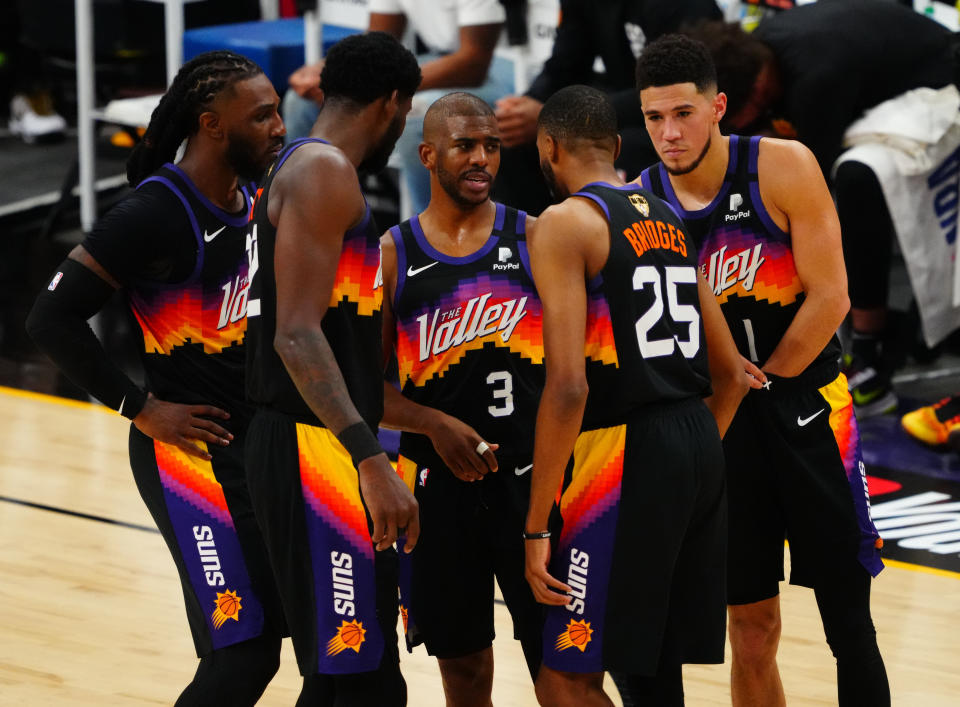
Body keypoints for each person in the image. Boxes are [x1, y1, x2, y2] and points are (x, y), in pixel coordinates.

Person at [26, 51, 288, 705]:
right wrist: (140, 406)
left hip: (248, 449)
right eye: (263, 115)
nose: (280, 126)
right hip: (187, 458)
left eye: (278, 110)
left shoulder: (250, 198)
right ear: (213, 125)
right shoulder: (153, 211)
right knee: (243, 657)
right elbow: (50, 317)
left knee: (275, 640)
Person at [635, 34, 888, 707]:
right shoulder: (640, 204)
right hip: (721, 432)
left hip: (806, 410)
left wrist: (760, 380)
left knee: (849, 623)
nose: (669, 132)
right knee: (751, 626)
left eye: (683, 113)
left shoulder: (782, 165)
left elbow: (831, 293)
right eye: (654, 117)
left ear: (719, 107)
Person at [523, 84, 751, 706]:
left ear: (549, 147)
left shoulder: (564, 222)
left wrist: (537, 523)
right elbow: (732, 373)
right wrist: (686, 454)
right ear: (618, 145)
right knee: (649, 668)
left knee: (565, 678)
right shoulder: (666, 215)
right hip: (697, 441)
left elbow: (568, 386)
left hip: (622, 456)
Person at [243, 32, 421, 705]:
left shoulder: (297, 164)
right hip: (312, 445)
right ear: (392, 103)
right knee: (353, 676)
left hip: (307, 437)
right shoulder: (325, 172)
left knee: (362, 676)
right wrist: (370, 458)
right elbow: (295, 335)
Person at [683, 3, 960, 416]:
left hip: (938, 86)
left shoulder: (815, 81)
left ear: (752, 94)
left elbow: (808, 201)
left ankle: (868, 342)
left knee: (856, 177)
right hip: (879, 84)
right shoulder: (760, 52)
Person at [379, 91, 545, 705]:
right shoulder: (394, 255)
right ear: (427, 154)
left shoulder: (534, 236)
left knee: (562, 675)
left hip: (531, 484)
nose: (481, 159)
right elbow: (366, 390)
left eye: (492, 147)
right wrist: (432, 424)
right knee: (465, 676)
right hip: (438, 494)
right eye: (465, 146)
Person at [492, 0, 722, 215]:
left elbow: (677, 86)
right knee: (512, 142)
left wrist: (564, 117)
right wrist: (524, 108)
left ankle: (624, 247)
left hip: (679, 113)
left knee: (617, 149)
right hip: (620, 106)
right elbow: (565, 65)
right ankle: (538, 242)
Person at [284, 0, 511, 214]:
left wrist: (384, 82)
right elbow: (377, 41)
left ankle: (433, 242)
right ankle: (308, 218)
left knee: (422, 117)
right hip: (445, 59)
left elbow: (473, 63)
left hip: (507, 65)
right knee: (302, 102)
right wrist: (328, 70)